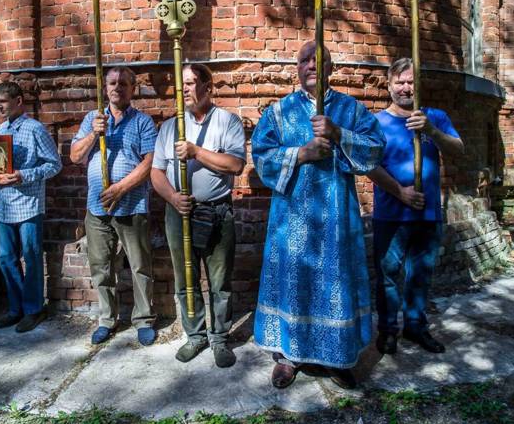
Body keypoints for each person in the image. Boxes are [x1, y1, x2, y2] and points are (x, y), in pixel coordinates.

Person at [251, 42, 385, 390]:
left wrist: (339, 133)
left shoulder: (350, 109)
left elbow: (374, 148)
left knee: (334, 287)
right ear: (297, 68)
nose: (311, 65)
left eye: (319, 60)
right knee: (294, 284)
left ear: (331, 68)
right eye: (304, 60)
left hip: (336, 219)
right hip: (291, 219)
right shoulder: (279, 113)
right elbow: (262, 156)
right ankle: (288, 356)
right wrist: (301, 153)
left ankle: (337, 356)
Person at [151, 64, 246, 368]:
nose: (185, 90)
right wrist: (172, 197)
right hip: (179, 213)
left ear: (208, 87)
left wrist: (195, 152)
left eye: (191, 83)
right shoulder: (169, 127)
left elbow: (235, 165)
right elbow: (156, 172)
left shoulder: (227, 122)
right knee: (186, 279)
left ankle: (219, 338)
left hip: (217, 211)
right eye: (182, 85)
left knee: (220, 280)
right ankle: (195, 336)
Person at [368, 57, 464, 356]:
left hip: (428, 213)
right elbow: (369, 166)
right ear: (389, 85)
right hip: (391, 213)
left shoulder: (435, 116)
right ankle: (388, 331)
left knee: (421, 273)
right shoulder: (376, 122)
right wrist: (401, 192)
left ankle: (415, 326)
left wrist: (432, 131)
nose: (406, 87)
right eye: (400, 82)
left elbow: (459, 150)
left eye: (411, 82)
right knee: (388, 273)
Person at [69, 66, 158, 346]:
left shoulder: (142, 122)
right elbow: (74, 156)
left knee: (140, 265)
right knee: (101, 267)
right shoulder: (92, 119)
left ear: (133, 89)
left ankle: (143, 319)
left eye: (123, 83)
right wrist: (95, 133)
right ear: (104, 87)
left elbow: (149, 163)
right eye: (112, 83)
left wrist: (120, 188)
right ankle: (107, 319)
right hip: (96, 209)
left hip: (131, 205)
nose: (117, 87)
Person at [0, 81, 63, 333]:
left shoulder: (35, 129)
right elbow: (0, 167)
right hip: (5, 205)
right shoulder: (0, 129)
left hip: (28, 204)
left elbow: (54, 164)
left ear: (18, 101)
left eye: (3, 102)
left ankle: (33, 309)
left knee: (31, 256)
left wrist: (24, 175)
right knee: (6, 258)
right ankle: (15, 308)